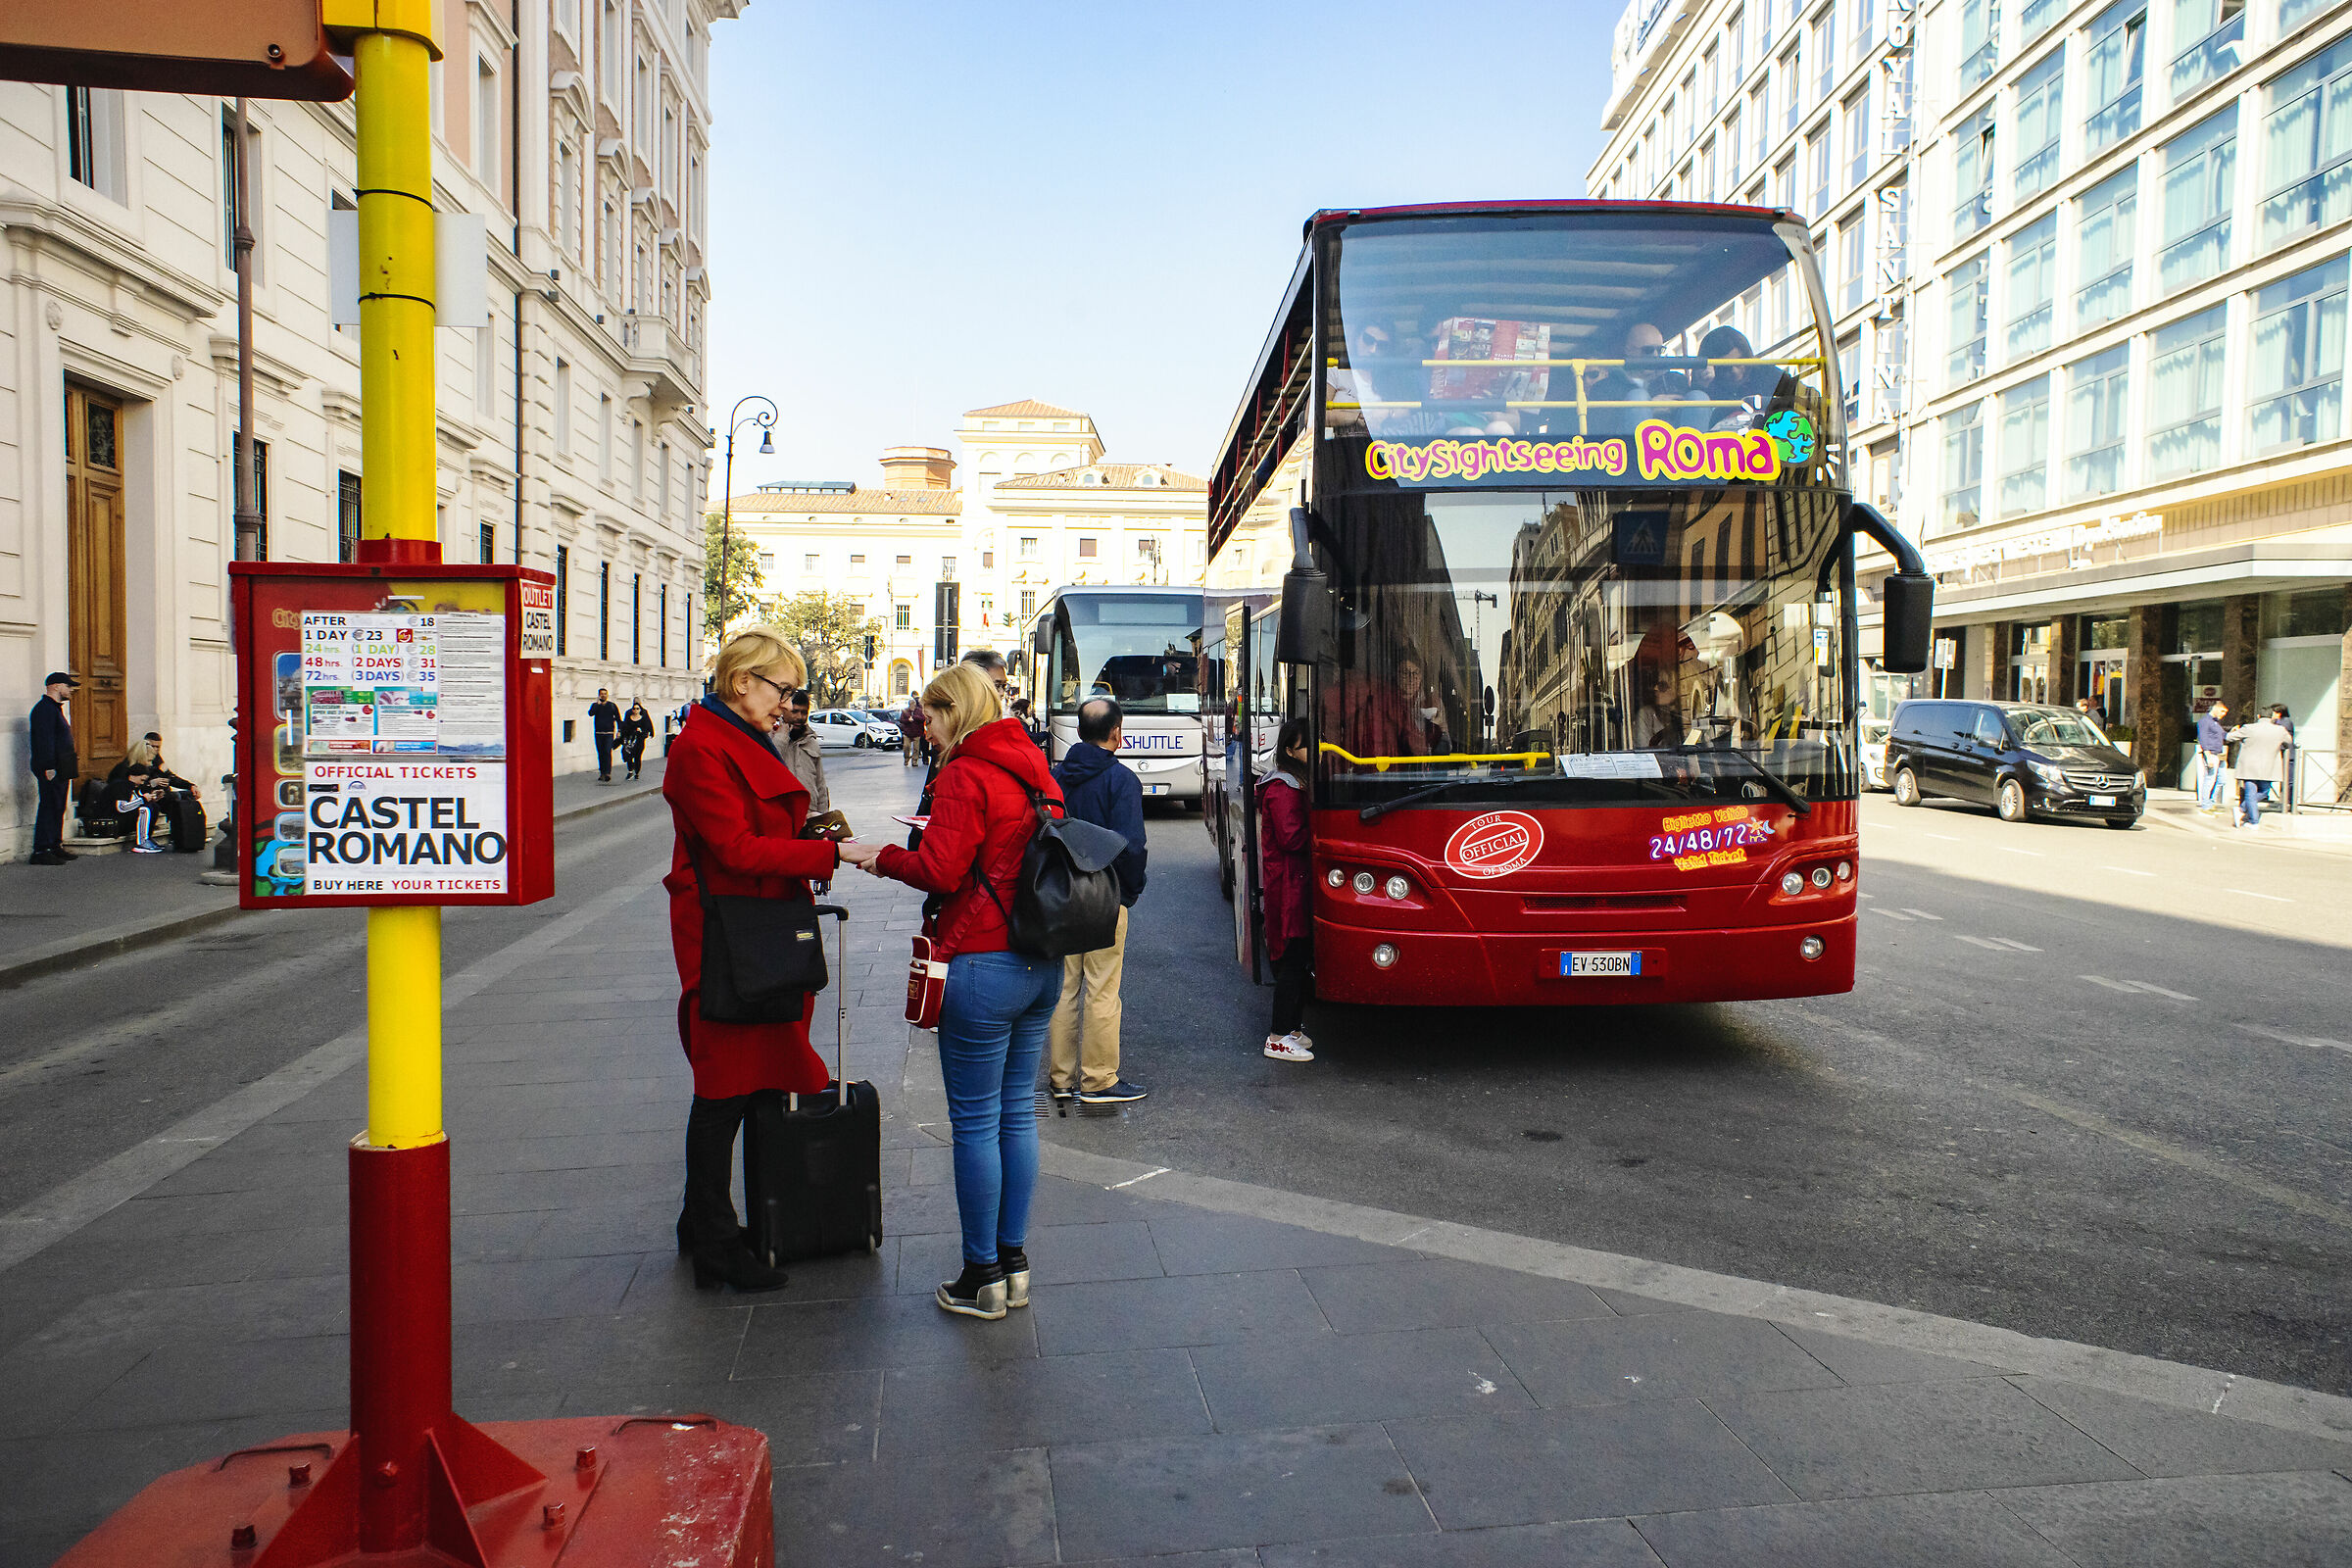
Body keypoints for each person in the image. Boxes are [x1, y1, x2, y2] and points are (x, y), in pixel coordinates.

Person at [838, 662, 1060, 1321]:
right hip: (1040, 960)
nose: (924, 728)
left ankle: (980, 1275)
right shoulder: (1035, 765)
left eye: (930, 716)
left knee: (975, 1122)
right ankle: (1014, 1265)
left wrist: (880, 855)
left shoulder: (966, 772)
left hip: (983, 964)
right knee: (1016, 1114)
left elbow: (940, 869)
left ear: (953, 711)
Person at [661, 629, 847, 1294]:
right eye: (781, 689)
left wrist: (812, 836)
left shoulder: (736, 737)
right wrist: (829, 853)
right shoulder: (701, 747)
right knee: (723, 1089)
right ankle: (714, 1241)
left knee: (748, 1079)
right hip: (729, 935)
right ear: (742, 682)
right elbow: (735, 849)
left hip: (755, 926)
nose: (788, 704)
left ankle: (702, 1221)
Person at [1047, 697, 1149, 1108]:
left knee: (1064, 987)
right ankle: (1098, 1079)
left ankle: (1060, 1078)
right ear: (1116, 733)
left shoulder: (1055, 777)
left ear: (1078, 732)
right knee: (1102, 989)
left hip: (1059, 894)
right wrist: (1129, 891)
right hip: (1105, 895)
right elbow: (1132, 845)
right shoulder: (1121, 780)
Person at [1261, 717, 1315, 1062]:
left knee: (1299, 956)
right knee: (1291, 959)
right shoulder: (1283, 788)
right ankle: (1278, 1037)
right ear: (1290, 751)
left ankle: (1293, 1028)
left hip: (1295, 884)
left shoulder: (1296, 782)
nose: (1314, 750)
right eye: (1307, 745)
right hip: (1288, 887)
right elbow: (1292, 838)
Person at [1351, 650, 1448, 760]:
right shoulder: (1386, 701)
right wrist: (1434, 729)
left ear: (1421, 676)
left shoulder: (1433, 702)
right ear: (1396, 674)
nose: (1411, 679)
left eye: (1416, 673)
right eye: (1405, 673)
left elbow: (1446, 745)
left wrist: (1441, 729)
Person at [27, 671, 77, 864]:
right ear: (56, 686)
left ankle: (55, 845)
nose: (71, 690)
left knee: (58, 806)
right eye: (68, 686)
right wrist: (48, 767)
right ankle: (41, 850)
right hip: (52, 767)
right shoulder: (44, 710)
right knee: (49, 806)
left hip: (62, 766)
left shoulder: (54, 709)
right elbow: (44, 741)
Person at [2227, 707, 2291, 830]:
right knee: (2264, 792)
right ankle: (2249, 816)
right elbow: (2289, 741)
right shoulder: (2280, 730)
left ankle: (2247, 815)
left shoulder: (2248, 728)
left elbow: (2229, 737)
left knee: (2250, 793)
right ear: (2271, 716)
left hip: (2249, 766)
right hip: (2268, 766)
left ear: (2258, 716)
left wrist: (2234, 731)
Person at [104, 740, 172, 853]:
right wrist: (145, 796)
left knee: (153, 806)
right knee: (145, 809)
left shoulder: (134, 782)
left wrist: (152, 797)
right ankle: (142, 842)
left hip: (124, 811)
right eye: (149, 760)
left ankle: (147, 838)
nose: (150, 764)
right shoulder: (122, 781)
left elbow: (136, 796)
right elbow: (122, 806)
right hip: (113, 816)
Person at [772, 688, 831, 815]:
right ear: (783, 710)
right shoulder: (771, 738)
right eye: (795, 711)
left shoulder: (811, 742)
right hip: (782, 814)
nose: (799, 717)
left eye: (804, 712)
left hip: (810, 814)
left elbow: (820, 786)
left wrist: (824, 816)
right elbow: (769, 768)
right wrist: (781, 739)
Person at [2194, 700, 2229, 813]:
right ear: (2216, 708)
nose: (2223, 714)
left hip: (2219, 754)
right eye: (2222, 711)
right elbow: (2203, 738)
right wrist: (2208, 755)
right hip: (2211, 753)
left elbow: (2223, 735)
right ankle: (2206, 805)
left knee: (2222, 779)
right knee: (2210, 779)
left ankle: (2211, 802)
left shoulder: (2215, 723)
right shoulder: (2205, 721)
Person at [1632, 670, 1683, 748]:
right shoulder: (1645, 714)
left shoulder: (1678, 715)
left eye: (1662, 687)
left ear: (1674, 690)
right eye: (1655, 689)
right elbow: (1645, 747)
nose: (1656, 690)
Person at [588, 688, 621, 782]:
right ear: (599, 695)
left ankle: (607, 773)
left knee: (607, 752)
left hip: (609, 733)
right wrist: (597, 705)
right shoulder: (595, 705)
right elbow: (591, 713)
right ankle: (602, 772)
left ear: (607, 695)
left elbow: (618, 718)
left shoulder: (612, 705)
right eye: (601, 694)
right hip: (598, 733)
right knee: (600, 753)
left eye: (605, 694)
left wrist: (619, 730)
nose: (603, 695)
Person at [618, 701, 654, 781]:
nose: (635, 710)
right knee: (629, 756)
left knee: (638, 757)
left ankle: (637, 773)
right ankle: (630, 771)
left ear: (640, 709)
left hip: (639, 741)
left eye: (637, 708)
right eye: (634, 709)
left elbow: (647, 726)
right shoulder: (628, 716)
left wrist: (643, 731)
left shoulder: (643, 718)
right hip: (630, 741)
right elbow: (625, 727)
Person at [2274, 704, 2297, 809]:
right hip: (2282, 755)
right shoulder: (2280, 722)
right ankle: (2284, 801)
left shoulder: (2285, 722)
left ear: (2279, 713)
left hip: (2287, 755)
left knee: (2288, 780)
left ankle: (2289, 802)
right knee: (2285, 779)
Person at [899, 700, 924, 766]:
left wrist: (914, 717)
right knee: (906, 746)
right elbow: (901, 720)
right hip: (907, 732)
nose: (913, 706)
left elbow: (923, 719)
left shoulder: (919, 711)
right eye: (911, 704)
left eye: (914, 704)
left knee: (916, 748)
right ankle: (906, 759)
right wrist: (908, 720)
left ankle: (915, 761)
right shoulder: (905, 711)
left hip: (917, 732)